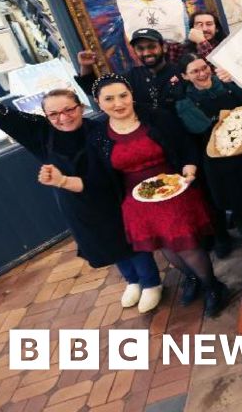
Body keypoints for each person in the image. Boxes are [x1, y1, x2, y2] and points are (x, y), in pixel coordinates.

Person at [0, 89, 161, 312]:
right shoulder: (41, 134)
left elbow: (110, 174)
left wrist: (64, 180)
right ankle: (132, 281)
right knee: (102, 243)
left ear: (80, 107)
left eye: (69, 109)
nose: (63, 118)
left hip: (111, 197)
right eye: (54, 114)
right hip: (78, 207)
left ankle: (151, 282)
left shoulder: (101, 130)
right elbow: (3, 115)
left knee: (128, 240)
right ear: (46, 116)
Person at [87, 74, 227, 316]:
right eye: (109, 99)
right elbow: (101, 172)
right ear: (98, 103)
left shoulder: (156, 117)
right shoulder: (98, 134)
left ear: (131, 95)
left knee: (186, 245)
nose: (118, 103)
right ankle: (192, 277)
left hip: (173, 187)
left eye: (123, 95)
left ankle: (213, 286)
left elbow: (186, 147)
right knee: (164, 246)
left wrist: (189, 168)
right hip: (136, 200)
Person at [175, 54, 242, 256]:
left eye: (204, 67)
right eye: (195, 71)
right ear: (185, 76)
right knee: (238, 206)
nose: (202, 73)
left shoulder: (228, 86)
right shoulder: (186, 102)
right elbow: (198, 129)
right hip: (218, 162)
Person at [76, 29, 181, 112]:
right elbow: (95, 90)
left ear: (164, 47)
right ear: (134, 51)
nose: (146, 53)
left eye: (152, 47)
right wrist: (86, 67)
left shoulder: (181, 73)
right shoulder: (130, 77)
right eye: (140, 49)